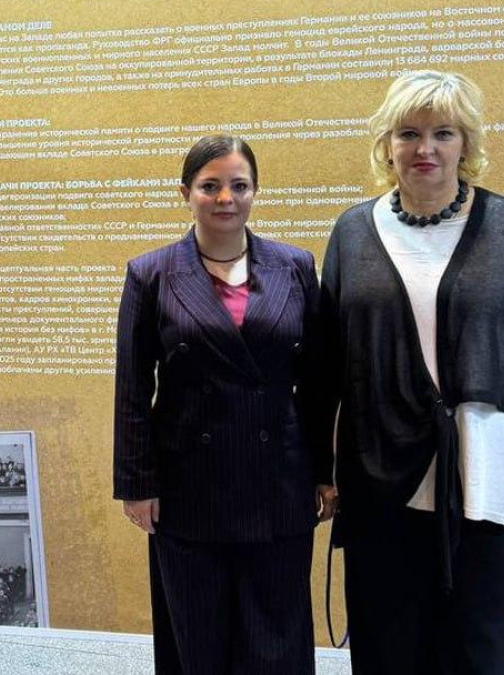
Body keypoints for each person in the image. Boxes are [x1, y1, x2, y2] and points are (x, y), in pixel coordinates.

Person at [314, 70, 504, 674]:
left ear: (465, 143)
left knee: (493, 642)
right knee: (393, 640)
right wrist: (319, 468)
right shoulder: (352, 233)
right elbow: (326, 365)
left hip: (497, 474)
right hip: (382, 471)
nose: (426, 148)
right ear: (387, 143)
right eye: (409, 133)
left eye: (443, 133)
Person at [113, 134, 337, 674]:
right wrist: (137, 484)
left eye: (238, 185)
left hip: (278, 478)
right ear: (185, 193)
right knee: (199, 635)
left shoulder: (295, 266)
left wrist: (324, 473)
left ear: (255, 191)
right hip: (189, 483)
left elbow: (318, 382)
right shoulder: (151, 274)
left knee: (276, 635)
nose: (225, 198)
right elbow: (133, 388)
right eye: (209, 186)